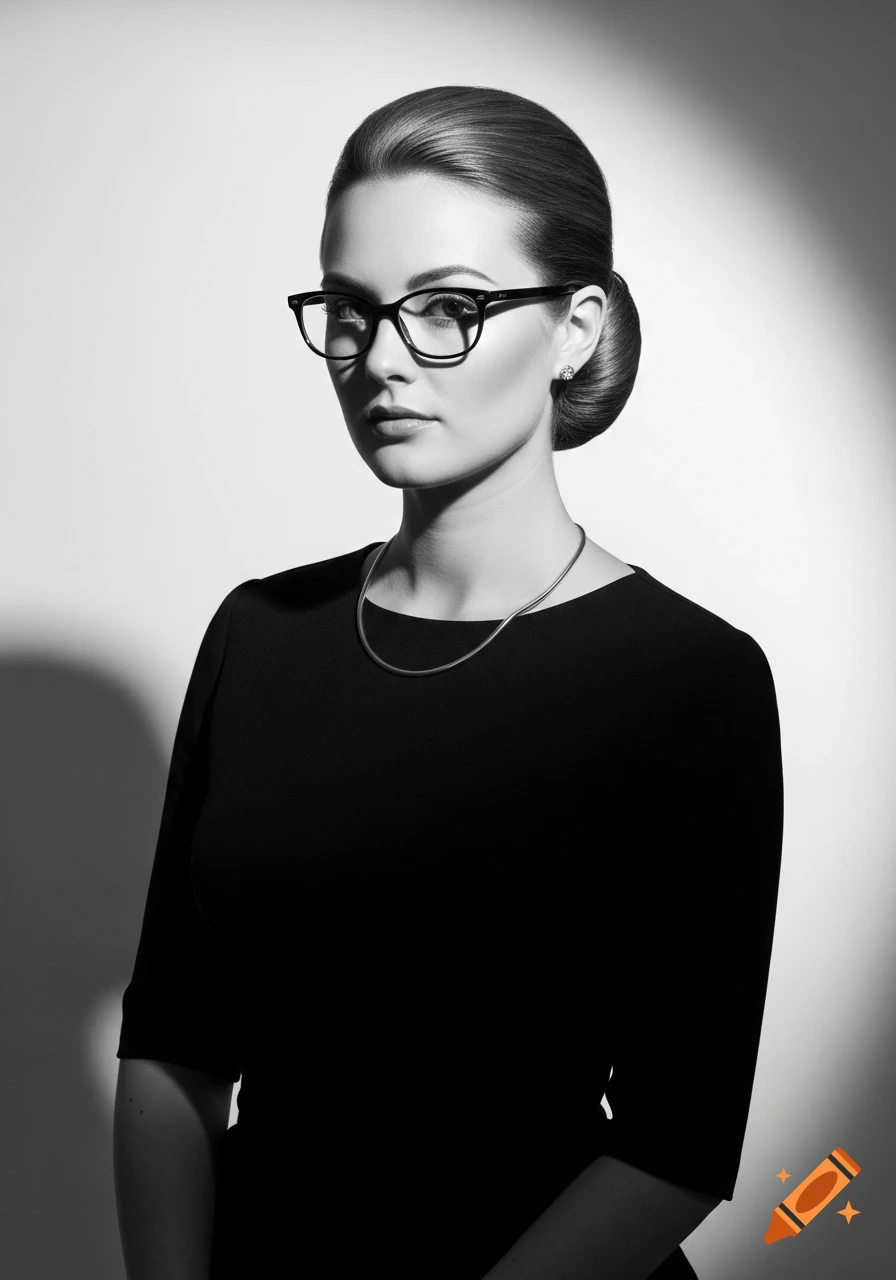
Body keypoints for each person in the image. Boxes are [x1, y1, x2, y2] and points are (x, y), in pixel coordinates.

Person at [113, 85, 784, 1280]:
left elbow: (677, 1145)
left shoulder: (690, 679)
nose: (378, 360)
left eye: (448, 310)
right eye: (351, 310)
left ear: (575, 326)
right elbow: (170, 1045)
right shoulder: (260, 632)